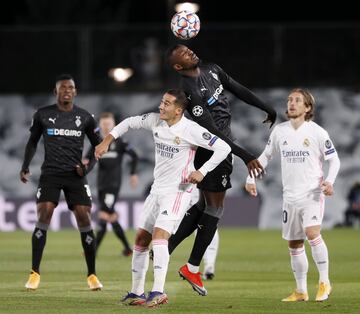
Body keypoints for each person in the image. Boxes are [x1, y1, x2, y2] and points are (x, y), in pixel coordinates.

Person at [95, 89, 231, 307]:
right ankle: (136, 292)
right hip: (156, 190)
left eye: (166, 104)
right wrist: (107, 141)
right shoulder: (155, 121)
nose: (160, 106)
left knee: (160, 237)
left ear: (178, 110)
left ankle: (158, 291)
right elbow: (128, 122)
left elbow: (224, 147)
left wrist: (202, 171)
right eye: (161, 102)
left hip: (178, 192)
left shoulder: (191, 129)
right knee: (141, 239)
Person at [166, 44, 277, 295]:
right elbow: (210, 132)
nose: (190, 52)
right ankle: (192, 267)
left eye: (188, 48)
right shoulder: (188, 90)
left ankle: (166, 247)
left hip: (221, 147)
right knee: (215, 209)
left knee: (204, 207)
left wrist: (266, 107)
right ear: (178, 66)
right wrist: (245, 155)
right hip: (212, 149)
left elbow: (239, 90)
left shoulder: (212, 69)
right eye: (183, 54)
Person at [245, 88, 340, 302]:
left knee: (312, 233)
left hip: (312, 193)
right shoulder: (280, 131)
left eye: (297, 100)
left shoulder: (317, 132)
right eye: (289, 100)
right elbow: (265, 156)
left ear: (308, 108)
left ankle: (325, 282)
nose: (291, 103)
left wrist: (330, 181)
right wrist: (251, 178)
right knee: (294, 244)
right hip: (290, 197)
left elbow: (334, 160)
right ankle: (300, 291)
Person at [20, 74, 103, 291]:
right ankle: (34, 273)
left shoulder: (85, 117)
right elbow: (32, 142)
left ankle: (92, 275)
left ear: (75, 92)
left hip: (75, 176)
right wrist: (25, 165)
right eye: (63, 87)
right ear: (56, 91)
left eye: (71, 87)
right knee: (44, 214)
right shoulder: (43, 114)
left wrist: (87, 167)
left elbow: (99, 147)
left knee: (84, 218)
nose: (67, 90)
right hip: (51, 174)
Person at [84, 112, 138, 256]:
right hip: (101, 184)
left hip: (113, 185)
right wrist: (83, 169)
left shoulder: (120, 142)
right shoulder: (98, 143)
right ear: (100, 125)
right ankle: (127, 249)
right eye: (104, 124)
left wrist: (133, 174)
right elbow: (88, 160)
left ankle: (93, 251)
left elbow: (134, 156)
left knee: (103, 215)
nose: (106, 126)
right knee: (111, 216)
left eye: (109, 124)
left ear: (114, 125)